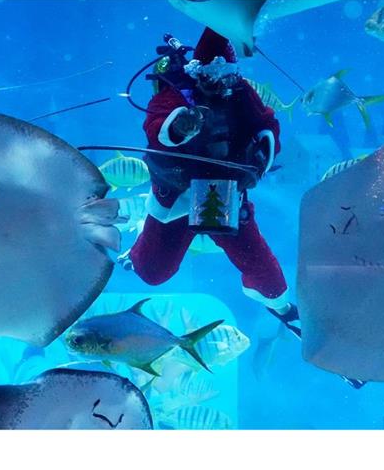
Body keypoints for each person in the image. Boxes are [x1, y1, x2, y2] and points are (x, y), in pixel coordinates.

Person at [118, 27, 300, 337]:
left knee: (266, 276)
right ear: (197, 69)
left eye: (224, 73)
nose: (218, 81)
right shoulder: (176, 90)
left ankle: (281, 306)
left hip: (224, 194)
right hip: (178, 195)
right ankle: (136, 248)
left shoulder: (241, 91)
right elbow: (155, 125)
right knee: (153, 272)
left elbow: (267, 123)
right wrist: (180, 126)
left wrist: (262, 154)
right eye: (211, 72)